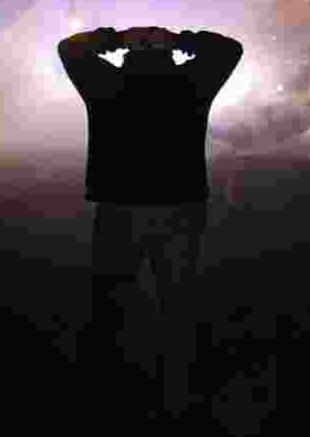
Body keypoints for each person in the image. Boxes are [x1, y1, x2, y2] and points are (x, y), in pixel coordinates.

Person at [58, 25, 243, 421]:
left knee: (111, 308)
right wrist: (182, 39)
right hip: (180, 207)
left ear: (129, 56)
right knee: (176, 309)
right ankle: (175, 402)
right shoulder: (193, 82)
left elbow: (69, 49)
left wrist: (116, 37)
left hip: (119, 207)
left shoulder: (104, 82)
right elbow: (230, 49)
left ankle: (110, 399)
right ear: (168, 55)